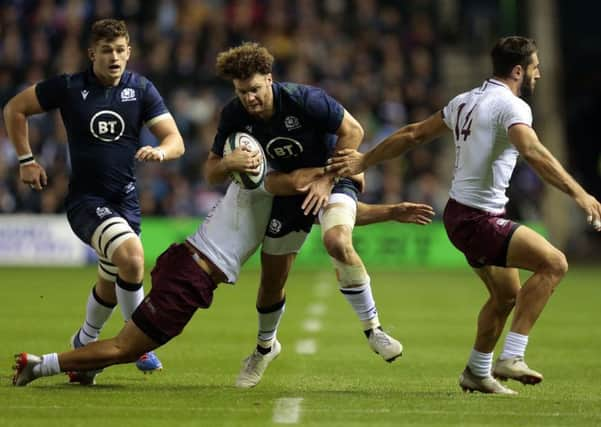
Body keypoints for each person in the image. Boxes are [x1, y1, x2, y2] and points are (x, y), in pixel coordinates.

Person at [325, 36, 601, 395]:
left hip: (461, 215)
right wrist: (579, 193)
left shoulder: (466, 100)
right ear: (519, 70)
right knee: (555, 264)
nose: (538, 73)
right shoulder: (512, 107)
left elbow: (412, 134)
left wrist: (365, 159)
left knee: (505, 296)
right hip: (479, 220)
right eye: (535, 67)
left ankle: (477, 371)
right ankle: (512, 356)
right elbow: (532, 151)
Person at [13, 173, 434, 386]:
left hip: (186, 263)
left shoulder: (279, 184)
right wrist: (334, 170)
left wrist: (388, 210)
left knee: (129, 339)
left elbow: (331, 208)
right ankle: (43, 365)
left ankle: (82, 363)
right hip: (191, 275)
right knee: (127, 348)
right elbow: (309, 185)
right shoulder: (267, 177)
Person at [207, 42, 408, 389]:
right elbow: (210, 172)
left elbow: (354, 131)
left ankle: (374, 330)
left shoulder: (304, 99)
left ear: (269, 79)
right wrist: (227, 163)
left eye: (255, 89)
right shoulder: (233, 115)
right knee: (272, 280)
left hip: (334, 175)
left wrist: (328, 179)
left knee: (336, 240)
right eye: (242, 92)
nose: (250, 98)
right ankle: (264, 348)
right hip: (288, 192)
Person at [3, 19, 185, 383]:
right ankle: (141, 342)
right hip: (86, 202)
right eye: (106, 51)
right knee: (132, 257)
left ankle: (83, 343)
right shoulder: (70, 87)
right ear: (92, 54)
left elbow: (175, 140)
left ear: (129, 52)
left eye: (120, 50)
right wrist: (26, 160)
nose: (114, 57)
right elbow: (14, 109)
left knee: (110, 279)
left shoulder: (142, 89)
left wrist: (161, 152)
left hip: (126, 203)